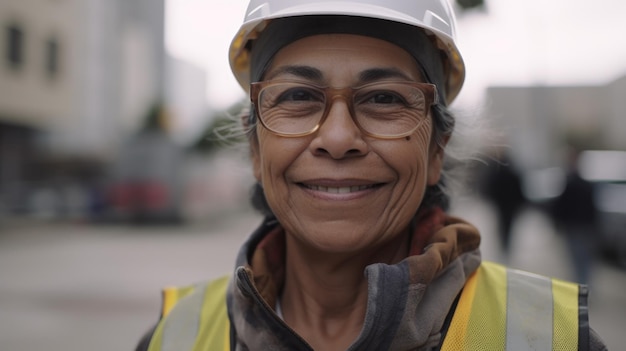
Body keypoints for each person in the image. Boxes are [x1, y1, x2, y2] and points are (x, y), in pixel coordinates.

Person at [137, 1, 606, 350]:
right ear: (256, 149)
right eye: (298, 96)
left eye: (384, 98)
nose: (339, 138)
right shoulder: (174, 336)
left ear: (436, 148)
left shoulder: (551, 337)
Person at [551, 147, 598, 285]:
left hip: (575, 227)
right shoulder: (583, 183)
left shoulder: (572, 182)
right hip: (581, 226)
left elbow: (560, 206)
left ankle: (582, 284)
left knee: (578, 257)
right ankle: (584, 283)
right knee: (583, 258)